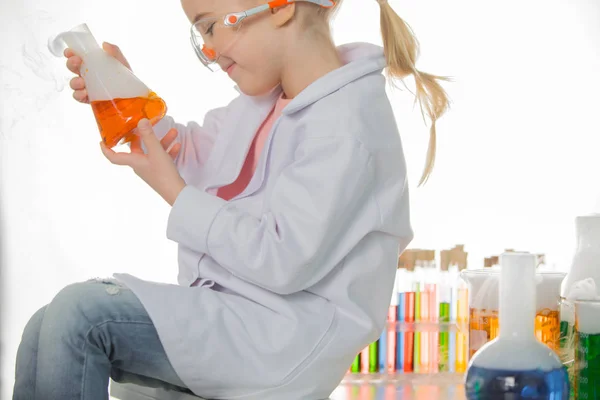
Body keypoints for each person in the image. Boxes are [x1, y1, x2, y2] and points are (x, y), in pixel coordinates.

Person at [13, 0, 449, 398]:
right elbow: (199, 156)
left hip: (280, 342)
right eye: (199, 36)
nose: (208, 50)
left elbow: (282, 259)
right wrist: (125, 96)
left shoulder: (348, 127)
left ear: (279, 8)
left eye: (208, 28)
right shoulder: (265, 103)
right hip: (234, 317)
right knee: (43, 327)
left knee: (81, 317)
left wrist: (175, 193)